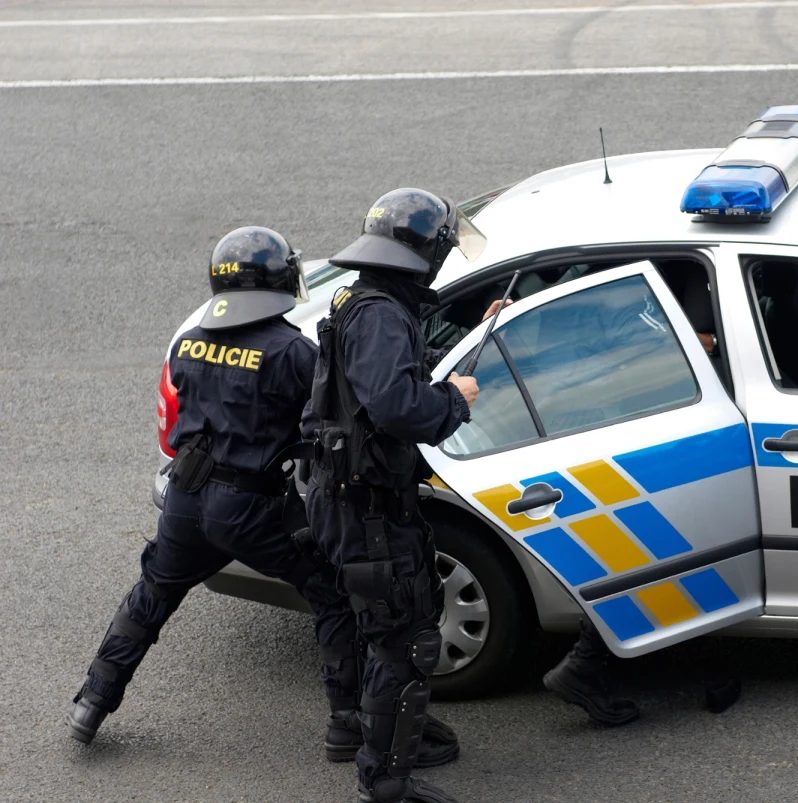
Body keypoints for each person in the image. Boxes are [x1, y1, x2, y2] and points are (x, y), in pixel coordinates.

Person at [66, 227, 361, 759]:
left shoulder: (190, 341)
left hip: (184, 495)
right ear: (278, 281)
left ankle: (91, 703)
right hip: (250, 506)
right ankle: (346, 724)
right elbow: (327, 419)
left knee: (152, 593)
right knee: (331, 591)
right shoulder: (292, 350)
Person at [306, 188, 486, 803]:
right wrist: (456, 399)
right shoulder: (381, 313)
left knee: (384, 626)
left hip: (352, 499)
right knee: (404, 641)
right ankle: (383, 779)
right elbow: (396, 405)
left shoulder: (361, 297)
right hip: (369, 508)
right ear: (423, 253)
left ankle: (386, 734)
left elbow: (377, 381)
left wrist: (454, 343)